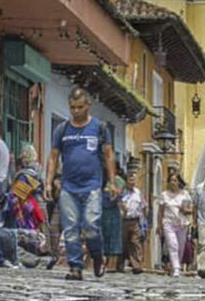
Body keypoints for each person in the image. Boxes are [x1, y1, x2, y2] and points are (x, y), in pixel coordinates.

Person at [44, 87, 118, 281]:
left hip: (93, 186)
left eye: (79, 107)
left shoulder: (99, 128)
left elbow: (109, 155)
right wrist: (48, 183)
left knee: (91, 225)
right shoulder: (62, 130)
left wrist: (112, 182)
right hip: (69, 187)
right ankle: (75, 267)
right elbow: (53, 157)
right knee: (70, 229)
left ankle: (97, 256)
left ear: (88, 105)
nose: (76, 111)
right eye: (72, 107)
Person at [158, 171, 192, 277]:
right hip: (169, 223)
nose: (172, 182)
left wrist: (185, 210)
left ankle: (177, 265)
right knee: (173, 245)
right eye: (171, 180)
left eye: (175, 180)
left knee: (180, 247)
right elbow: (160, 211)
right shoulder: (164, 195)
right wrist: (159, 226)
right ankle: (176, 268)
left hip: (182, 224)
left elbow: (191, 209)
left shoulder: (185, 194)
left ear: (179, 182)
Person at [119, 172, 147, 274]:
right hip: (123, 221)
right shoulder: (122, 193)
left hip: (135, 220)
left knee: (135, 243)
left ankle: (137, 265)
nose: (132, 182)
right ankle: (120, 264)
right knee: (123, 243)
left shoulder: (138, 193)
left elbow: (143, 207)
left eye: (133, 180)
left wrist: (143, 221)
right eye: (130, 180)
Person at [102, 164, 125, 272]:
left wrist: (113, 192)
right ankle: (104, 263)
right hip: (102, 210)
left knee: (114, 237)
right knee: (103, 236)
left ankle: (112, 264)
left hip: (113, 211)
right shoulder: (102, 180)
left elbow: (117, 194)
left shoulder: (118, 180)